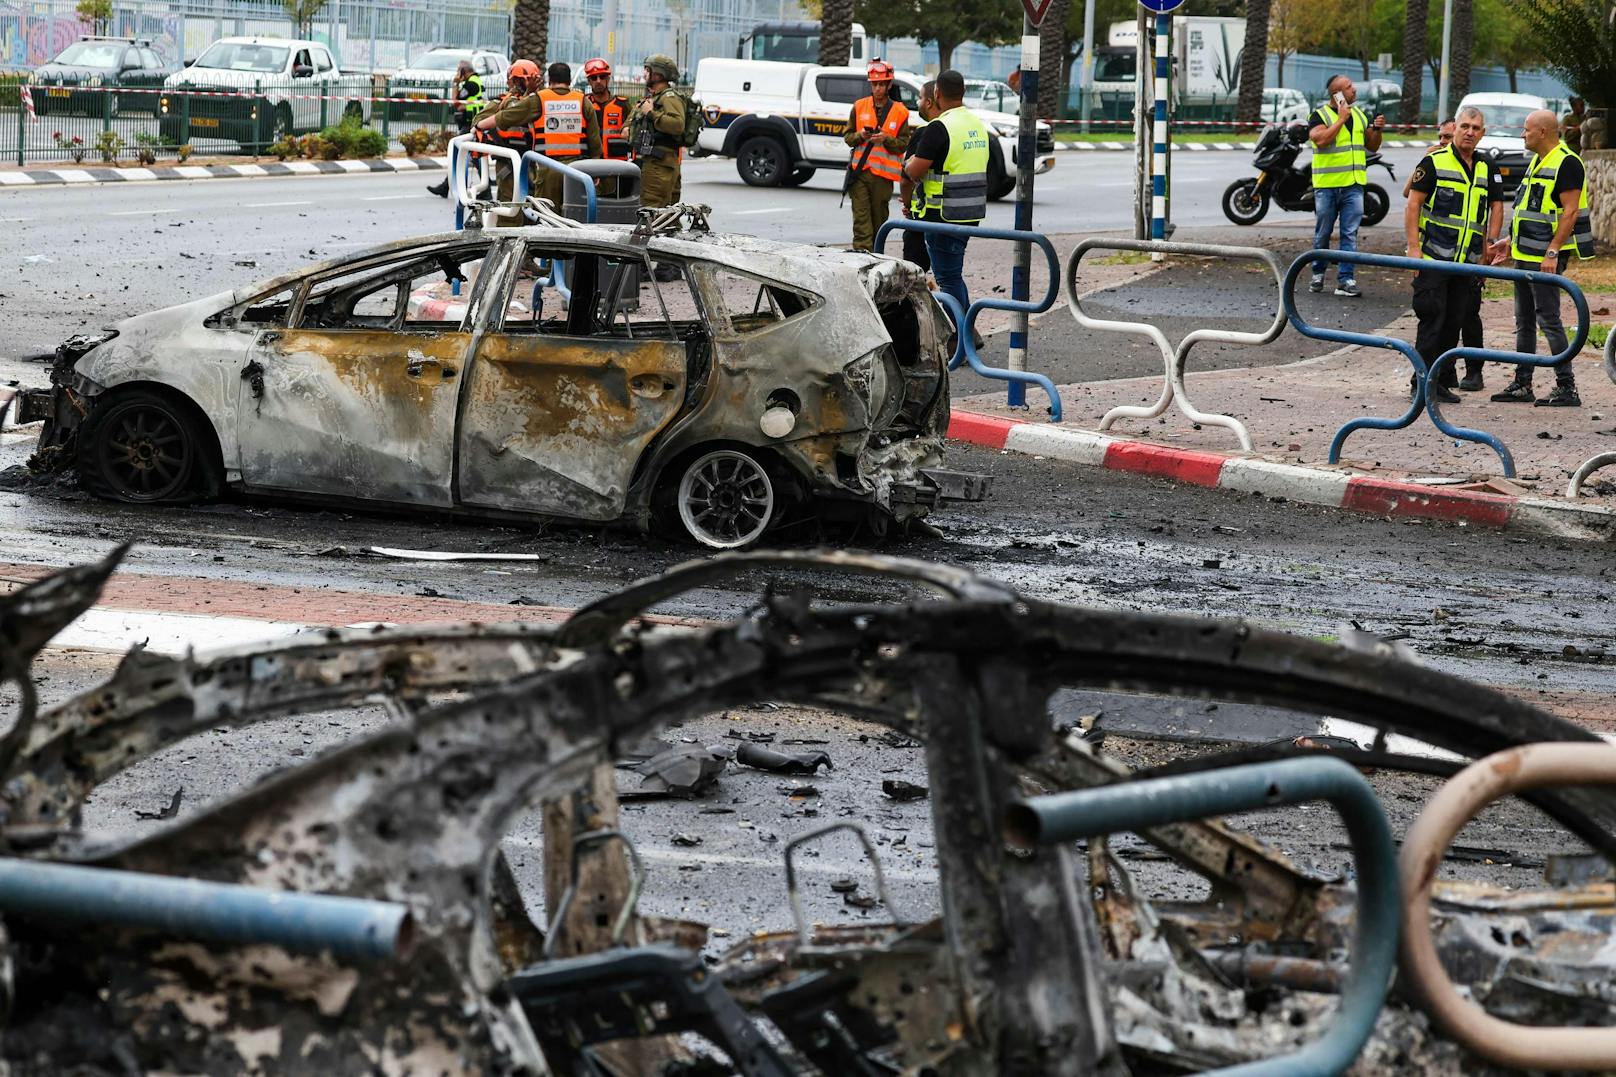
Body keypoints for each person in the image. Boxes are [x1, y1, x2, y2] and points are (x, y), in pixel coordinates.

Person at [1489, 108, 1598, 407]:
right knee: (1524, 320)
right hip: (1525, 253)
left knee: (1548, 319)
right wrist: (1509, 242)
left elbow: (1570, 211)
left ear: (1542, 132)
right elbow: (1531, 208)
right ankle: (1522, 384)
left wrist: (1552, 251)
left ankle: (1567, 386)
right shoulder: (1538, 161)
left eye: (1526, 129)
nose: (1522, 134)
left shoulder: (1567, 163)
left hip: (1546, 256)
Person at [1402, 106, 1503, 404]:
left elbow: (1496, 207)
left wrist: (1491, 244)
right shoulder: (1434, 162)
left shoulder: (1487, 166)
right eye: (1465, 126)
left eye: (1476, 128)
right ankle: (1418, 384)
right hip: (1434, 258)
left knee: (1453, 324)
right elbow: (1413, 204)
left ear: (1482, 133)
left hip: (1468, 263)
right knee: (1432, 321)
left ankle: (1439, 381)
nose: (1470, 132)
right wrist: (1413, 248)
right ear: (1455, 129)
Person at [901, 69, 989, 321]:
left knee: (947, 280)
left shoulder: (940, 127)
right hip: (970, 213)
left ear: (937, 93)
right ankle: (967, 334)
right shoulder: (976, 124)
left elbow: (914, 170)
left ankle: (958, 338)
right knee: (952, 275)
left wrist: (908, 164)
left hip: (942, 215)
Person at [1307, 74, 1385, 298]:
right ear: (1337, 94)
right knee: (1324, 232)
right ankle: (1318, 273)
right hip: (1328, 186)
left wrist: (1377, 130)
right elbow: (1320, 140)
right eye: (1349, 88)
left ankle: (1345, 279)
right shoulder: (1319, 115)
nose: (1355, 90)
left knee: (1350, 233)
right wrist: (1340, 120)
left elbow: (1371, 145)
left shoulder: (1359, 115)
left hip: (1354, 184)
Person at [841, 59, 910, 251]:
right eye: (874, 84)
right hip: (860, 173)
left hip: (883, 178)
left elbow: (904, 144)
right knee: (861, 221)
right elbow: (848, 137)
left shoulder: (900, 111)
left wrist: (886, 139)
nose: (878, 88)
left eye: (881, 84)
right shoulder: (859, 106)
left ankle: (876, 256)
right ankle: (862, 254)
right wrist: (861, 136)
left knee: (879, 220)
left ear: (889, 85)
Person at [471, 59, 542, 209]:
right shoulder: (500, 103)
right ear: (515, 81)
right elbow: (478, 121)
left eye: (532, 80)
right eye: (526, 80)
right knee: (510, 210)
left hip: (532, 164)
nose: (530, 84)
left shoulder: (538, 102)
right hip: (509, 166)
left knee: (533, 211)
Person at [529, 62, 600, 211]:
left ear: (550, 80)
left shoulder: (539, 99)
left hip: (548, 168)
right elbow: (594, 140)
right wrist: (595, 170)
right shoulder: (582, 101)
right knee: (576, 213)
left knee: (547, 215)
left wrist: (479, 125)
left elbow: (508, 117)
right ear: (569, 80)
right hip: (577, 170)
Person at [629, 54, 687, 212]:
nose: (644, 74)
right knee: (664, 214)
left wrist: (651, 114)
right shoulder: (655, 97)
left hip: (660, 165)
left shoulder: (669, 97)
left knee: (651, 210)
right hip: (656, 163)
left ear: (658, 74)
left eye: (647, 70)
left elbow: (677, 124)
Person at [427, 60, 487, 197]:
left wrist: (455, 82)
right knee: (474, 157)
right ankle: (484, 189)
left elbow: (455, 101)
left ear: (463, 71)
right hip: (473, 123)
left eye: (458, 70)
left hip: (470, 124)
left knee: (458, 153)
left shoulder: (471, 84)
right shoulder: (476, 81)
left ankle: (448, 187)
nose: (457, 73)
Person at [899, 79, 939, 272]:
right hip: (951, 216)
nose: (918, 103)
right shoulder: (959, 129)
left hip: (922, 216)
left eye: (921, 98)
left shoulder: (926, 132)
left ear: (930, 102)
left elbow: (907, 180)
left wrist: (907, 204)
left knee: (915, 276)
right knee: (948, 275)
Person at [584, 57, 631, 161]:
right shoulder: (584, 103)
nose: (598, 81)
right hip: (590, 163)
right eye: (594, 78)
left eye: (602, 76)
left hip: (616, 164)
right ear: (589, 81)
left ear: (608, 79)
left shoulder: (622, 104)